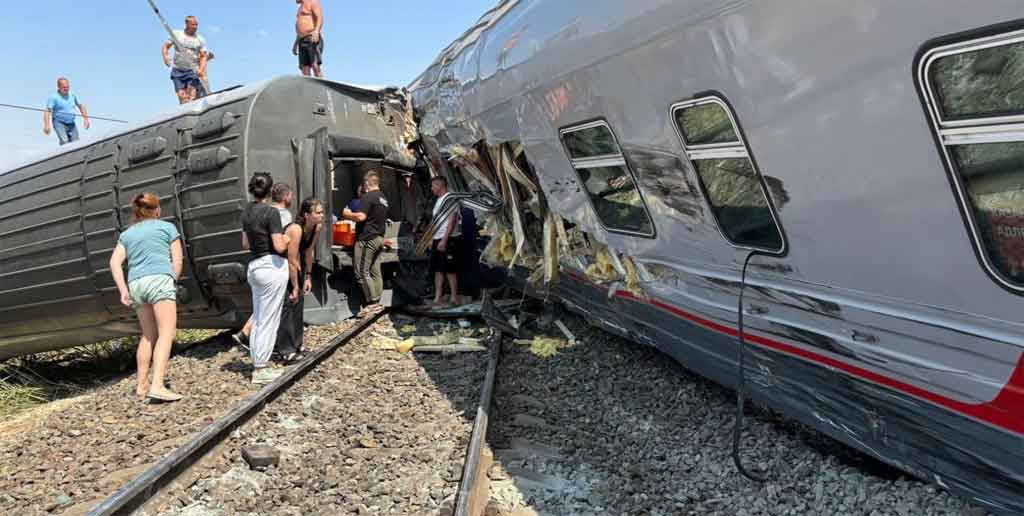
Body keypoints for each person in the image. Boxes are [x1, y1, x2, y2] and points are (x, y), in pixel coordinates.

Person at [108, 193, 184, 402]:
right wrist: (171, 280)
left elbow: (114, 263)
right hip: (159, 279)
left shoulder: (127, 234)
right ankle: (158, 385)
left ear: (137, 212)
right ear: (157, 210)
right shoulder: (167, 228)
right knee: (166, 333)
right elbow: (177, 261)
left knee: (148, 335)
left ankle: (141, 386)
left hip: (136, 284)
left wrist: (123, 289)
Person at [241, 173, 291, 384]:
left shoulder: (247, 211)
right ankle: (260, 369)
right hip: (271, 267)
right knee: (268, 319)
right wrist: (289, 237)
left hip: (254, 267)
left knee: (260, 318)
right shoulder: (271, 213)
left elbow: (245, 244)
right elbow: (279, 246)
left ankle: (258, 364)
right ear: (271, 191)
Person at [276, 197, 324, 361]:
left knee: (299, 305)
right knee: (289, 304)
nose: (322, 215)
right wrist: (295, 285)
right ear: (306, 215)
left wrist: (308, 276)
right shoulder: (295, 229)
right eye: (318, 212)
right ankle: (286, 350)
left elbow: (309, 251)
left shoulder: (317, 227)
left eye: (322, 212)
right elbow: (291, 259)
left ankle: (297, 344)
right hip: (283, 265)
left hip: (298, 264)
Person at [343, 172, 389, 311]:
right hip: (379, 238)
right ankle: (378, 300)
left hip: (367, 239)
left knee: (362, 272)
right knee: (375, 271)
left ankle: (373, 303)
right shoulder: (383, 198)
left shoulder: (368, 197)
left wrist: (347, 214)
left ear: (367, 184)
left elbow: (361, 217)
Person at [162, 15, 208, 105]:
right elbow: (165, 47)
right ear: (187, 24)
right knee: (182, 97)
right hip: (177, 70)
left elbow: (204, 56)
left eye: (196, 25)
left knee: (191, 96)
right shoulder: (177, 34)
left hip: (192, 70)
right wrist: (165, 57)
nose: (195, 27)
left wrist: (201, 70)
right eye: (193, 25)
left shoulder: (200, 39)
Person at [429, 176, 461, 307]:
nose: (431, 189)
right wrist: (431, 238)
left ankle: (454, 297)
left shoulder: (450, 199)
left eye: (432, 186)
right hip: (438, 238)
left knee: (450, 269)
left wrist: (444, 240)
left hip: (448, 239)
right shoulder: (438, 201)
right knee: (438, 269)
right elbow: (436, 221)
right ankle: (438, 297)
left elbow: (452, 220)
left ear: (439, 185)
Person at [43, 78, 89, 145]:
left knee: (76, 143)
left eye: (68, 87)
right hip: (59, 122)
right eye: (64, 87)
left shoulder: (72, 95)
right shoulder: (53, 97)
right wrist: (47, 125)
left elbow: (81, 106)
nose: (66, 89)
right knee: (65, 141)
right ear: (59, 87)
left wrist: (86, 119)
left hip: (71, 123)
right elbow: (47, 111)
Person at [293, 0, 324, 77]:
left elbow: (319, 17)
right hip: (301, 40)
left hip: (311, 38)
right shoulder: (300, 7)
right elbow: (301, 28)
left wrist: (316, 31)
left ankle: (321, 87)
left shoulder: (312, 2)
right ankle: (310, 88)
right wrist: (295, 43)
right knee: (304, 69)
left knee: (315, 65)